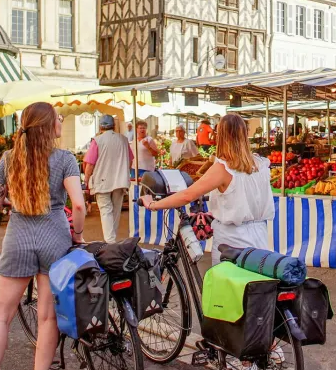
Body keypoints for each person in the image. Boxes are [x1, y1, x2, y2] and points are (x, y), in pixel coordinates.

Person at [0, 102, 85, 370]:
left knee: (0, 317)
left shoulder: (8, 159)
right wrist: (78, 235)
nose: (61, 120)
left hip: (18, 237)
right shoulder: (65, 159)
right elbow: (80, 206)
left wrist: (6, 200)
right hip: (55, 237)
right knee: (47, 318)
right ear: (48, 126)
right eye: (58, 117)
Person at [141, 113, 274, 265]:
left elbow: (187, 195)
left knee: (225, 285)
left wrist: (153, 204)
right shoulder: (261, 163)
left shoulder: (224, 168)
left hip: (232, 241)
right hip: (260, 235)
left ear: (221, 136)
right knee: (257, 284)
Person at [84, 114, 132, 243]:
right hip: (120, 180)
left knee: (106, 210)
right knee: (116, 211)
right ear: (114, 125)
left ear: (100, 126)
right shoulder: (123, 139)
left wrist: (86, 180)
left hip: (102, 179)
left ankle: (110, 242)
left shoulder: (97, 140)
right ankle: (112, 240)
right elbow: (130, 160)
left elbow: (90, 164)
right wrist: (124, 172)